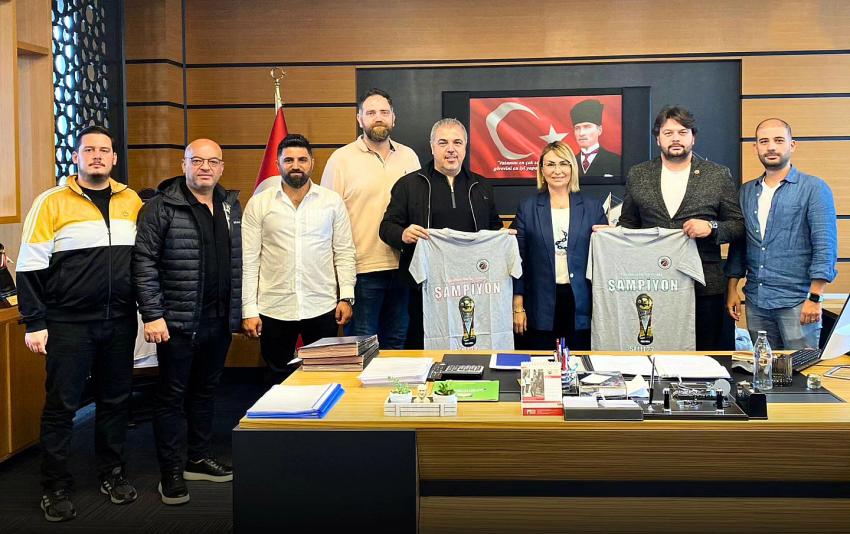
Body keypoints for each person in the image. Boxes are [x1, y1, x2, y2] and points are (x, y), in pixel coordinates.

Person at [16, 125, 143, 522]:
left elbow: (141, 261)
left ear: (114, 158)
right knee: (62, 406)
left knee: (115, 401)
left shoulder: (131, 200)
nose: (97, 156)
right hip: (68, 323)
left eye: (104, 150)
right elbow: (29, 266)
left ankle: (112, 473)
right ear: (76, 157)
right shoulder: (51, 202)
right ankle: (54, 485)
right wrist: (34, 322)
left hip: (119, 321)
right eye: (89, 150)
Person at [133, 138, 243, 505]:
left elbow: (239, 261)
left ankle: (198, 458)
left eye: (213, 161)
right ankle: (171, 472)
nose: (205, 167)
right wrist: (152, 314)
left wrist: (238, 311)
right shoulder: (160, 207)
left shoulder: (230, 205)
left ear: (222, 167)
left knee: (205, 392)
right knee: (171, 396)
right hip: (176, 322)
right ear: (184, 165)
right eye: (197, 160)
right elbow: (143, 262)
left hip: (218, 319)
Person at [617, 105, 744, 349]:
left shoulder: (717, 175)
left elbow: (738, 226)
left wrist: (712, 227)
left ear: (693, 137)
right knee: (659, 355)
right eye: (668, 133)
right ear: (658, 138)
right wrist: (612, 235)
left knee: (709, 358)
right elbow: (629, 225)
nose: (675, 138)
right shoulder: (638, 174)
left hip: (705, 286)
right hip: (653, 284)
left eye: (683, 132)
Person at [380, 118, 503, 349]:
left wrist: (504, 238)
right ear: (432, 147)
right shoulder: (409, 185)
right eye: (443, 142)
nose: (451, 149)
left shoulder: (482, 186)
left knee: (471, 343)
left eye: (457, 142)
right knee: (425, 345)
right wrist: (403, 234)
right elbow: (387, 227)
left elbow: (494, 227)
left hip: (472, 286)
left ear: (465, 147)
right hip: (424, 288)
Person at [242, 134, 356, 376]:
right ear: (277, 164)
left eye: (302, 159)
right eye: (289, 160)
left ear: (312, 163)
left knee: (323, 376)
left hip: (322, 306)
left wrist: (346, 296)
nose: (296, 165)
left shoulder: (331, 202)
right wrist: (249, 309)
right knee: (277, 379)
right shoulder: (259, 204)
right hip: (274, 308)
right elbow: (249, 261)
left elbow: (344, 252)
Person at [321, 89, 421, 348]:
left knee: (397, 344)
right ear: (359, 119)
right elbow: (326, 221)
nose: (378, 117)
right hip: (362, 272)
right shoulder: (340, 160)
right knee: (362, 347)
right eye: (371, 112)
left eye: (384, 112)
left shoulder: (409, 157)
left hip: (403, 269)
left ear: (394, 118)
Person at [725, 118, 838, 349]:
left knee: (801, 368)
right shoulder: (746, 191)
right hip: (757, 301)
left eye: (778, 140)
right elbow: (740, 245)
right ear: (755, 147)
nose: (771, 147)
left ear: (792, 145)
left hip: (798, 302)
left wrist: (815, 297)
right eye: (764, 141)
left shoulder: (814, 188)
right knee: (764, 368)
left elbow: (825, 246)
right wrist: (732, 289)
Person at [513, 142, 607, 350]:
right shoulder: (528, 208)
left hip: (582, 303)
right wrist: (517, 306)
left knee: (579, 363)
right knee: (542, 363)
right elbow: (518, 262)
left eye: (563, 164)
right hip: (540, 305)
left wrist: (613, 236)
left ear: (572, 167)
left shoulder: (592, 208)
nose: (557, 170)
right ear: (541, 170)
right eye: (551, 164)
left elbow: (605, 260)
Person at [570, 99, 621, 177]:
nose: (581, 133)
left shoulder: (616, 161)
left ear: (599, 130)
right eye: (577, 128)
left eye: (587, 127)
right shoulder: (570, 162)